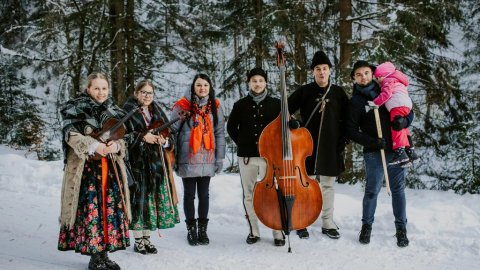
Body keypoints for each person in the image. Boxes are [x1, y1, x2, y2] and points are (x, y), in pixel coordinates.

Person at [58, 72, 130, 270]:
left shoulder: (114, 110)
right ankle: (95, 257)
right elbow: (71, 135)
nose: (101, 92)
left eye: (104, 88)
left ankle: (104, 254)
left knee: (108, 210)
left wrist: (116, 146)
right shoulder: (74, 108)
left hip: (111, 170)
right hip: (87, 170)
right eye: (96, 88)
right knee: (92, 211)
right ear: (88, 89)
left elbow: (123, 138)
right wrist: (93, 146)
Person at [346, 60, 412, 247]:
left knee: (398, 190)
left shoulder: (387, 89)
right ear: (354, 78)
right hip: (373, 153)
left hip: (396, 149)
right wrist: (372, 141)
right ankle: (366, 226)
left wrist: (404, 122)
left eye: (366, 72)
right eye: (358, 74)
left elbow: (407, 108)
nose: (363, 77)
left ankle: (401, 228)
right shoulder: (355, 102)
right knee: (372, 190)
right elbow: (350, 130)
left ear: (372, 73)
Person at [287, 51, 349, 240]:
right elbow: (285, 109)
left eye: (324, 69)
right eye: (317, 69)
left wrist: (343, 140)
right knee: (307, 186)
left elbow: (348, 119)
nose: (321, 72)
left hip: (331, 147)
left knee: (328, 186)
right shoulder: (305, 91)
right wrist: (293, 125)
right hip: (308, 146)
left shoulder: (338, 93)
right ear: (313, 72)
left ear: (330, 71)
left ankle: (327, 222)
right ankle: (302, 221)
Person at [227, 67, 285, 247]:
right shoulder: (240, 105)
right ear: (249, 83)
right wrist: (243, 144)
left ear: (266, 82)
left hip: (270, 157)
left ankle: (277, 231)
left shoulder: (276, 104)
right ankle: (253, 230)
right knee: (249, 194)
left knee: (274, 193)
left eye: (260, 80)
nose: (257, 84)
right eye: (254, 81)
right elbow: (231, 128)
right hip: (247, 157)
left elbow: (284, 127)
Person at [123, 79, 180, 255]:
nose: (147, 96)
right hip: (137, 163)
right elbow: (122, 136)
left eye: (150, 93)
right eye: (143, 92)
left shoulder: (157, 111)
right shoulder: (126, 111)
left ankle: (147, 238)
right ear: (136, 93)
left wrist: (164, 141)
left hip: (155, 163)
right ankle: (138, 240)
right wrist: (142, 137)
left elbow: (169, 135)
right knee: (138, 201)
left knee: (150, 200)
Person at [170, 73, 226, 246]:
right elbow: (172, 131)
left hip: (208, 156)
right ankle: (191, 230)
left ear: (210, 88)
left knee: (204, 195)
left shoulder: (215, 106)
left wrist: (219, 158)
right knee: (189, 195)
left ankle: (202, 230)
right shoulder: (182, 106)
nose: (202, 88)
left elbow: (219, 133)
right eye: (199, 85)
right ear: (193, 87)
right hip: (188, 157)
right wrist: (173, 156)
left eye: (205, 85)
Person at [371, 61, 418, 166]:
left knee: (396, 127)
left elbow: (386, 95)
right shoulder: (397, 81)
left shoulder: (388, 81)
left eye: (378, 77)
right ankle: (411, 152)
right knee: (403, 128)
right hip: (406, 105)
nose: (378, 81)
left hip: (396, 105)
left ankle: (400, 153)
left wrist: (375, 103)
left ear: (384, 75)